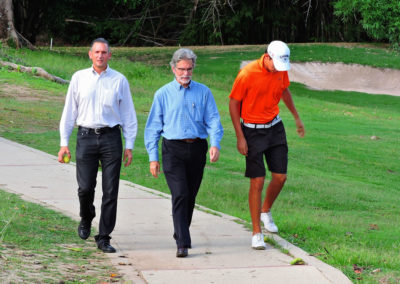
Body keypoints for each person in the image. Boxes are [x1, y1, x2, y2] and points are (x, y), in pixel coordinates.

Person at [58, 38, 138, 253]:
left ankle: (104, 236)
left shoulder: (119, 80)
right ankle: (86, 216)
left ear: (109, 55)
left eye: (104, 52)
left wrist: (129, 145)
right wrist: (63, 143)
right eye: (97, 52)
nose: (100, 55)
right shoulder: (79, 78)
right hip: (85, 136)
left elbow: (129, 115)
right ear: (90, 54)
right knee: (85, 188)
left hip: (111, 137)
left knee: (111, 190)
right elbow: (69, 112)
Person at [144, 48, 223, 258]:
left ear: (193, 68)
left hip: (197, 148)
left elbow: (214, 120)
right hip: (173, 149)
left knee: (190, 196)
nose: (185, 73)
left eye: (189, 69)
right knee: (180, 193)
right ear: (173, 68)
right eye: (181, 69)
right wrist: (153, 158)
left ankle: (180, 230)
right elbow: (153, 128)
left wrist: (215, 143)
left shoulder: (204, 92)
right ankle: (183, 242)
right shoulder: (162, 94)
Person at [229, 40, 305, 250]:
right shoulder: (247, 73)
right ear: (267, 57)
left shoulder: (280, 70)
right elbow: (233, 103)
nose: (278, 69)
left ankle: (266, 211)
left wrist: (297, 118)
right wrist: (240, 136)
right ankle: (256, 232)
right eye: (276, 64)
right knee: (257, 181)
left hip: (275, 127)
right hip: (252, 131)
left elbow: (284, 91)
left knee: (280, 176)